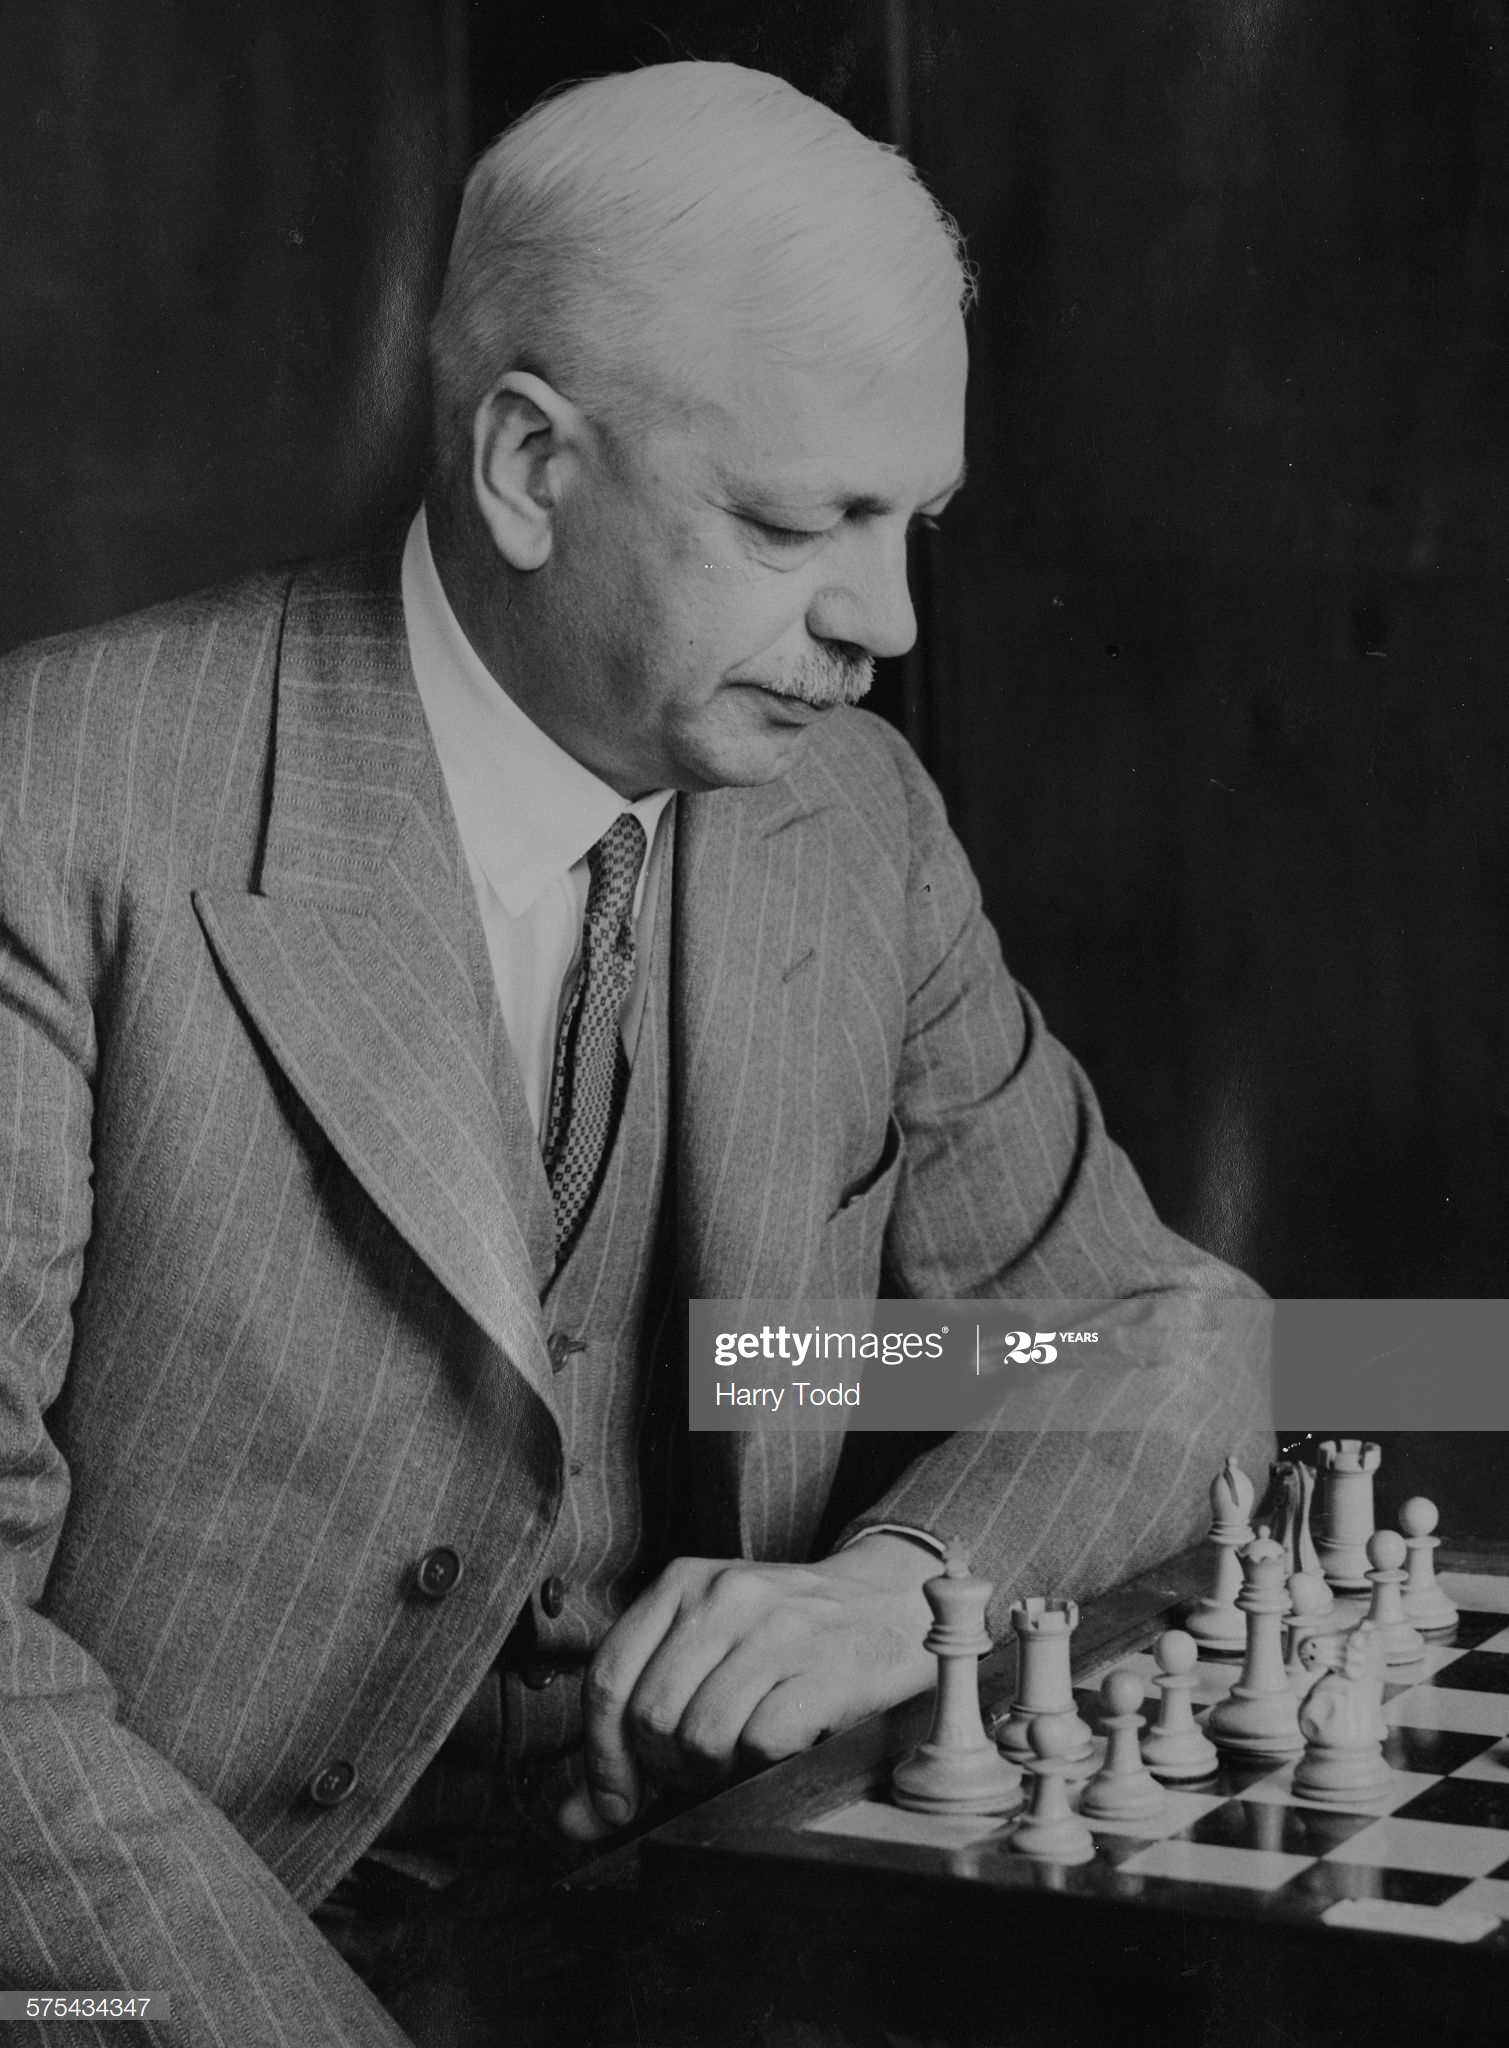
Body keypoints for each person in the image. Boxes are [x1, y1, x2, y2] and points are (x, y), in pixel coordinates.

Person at [0, 61, 1271, 2047]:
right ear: (525, 465)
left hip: (688, 1942)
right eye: (797, 523)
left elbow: (1167, 1335)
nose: (883, 619)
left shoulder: (852, 822)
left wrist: (897, 1589)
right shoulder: (53, 805)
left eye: (913, 521)